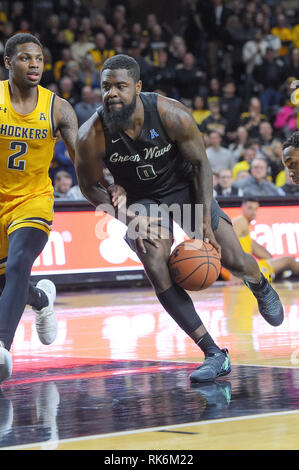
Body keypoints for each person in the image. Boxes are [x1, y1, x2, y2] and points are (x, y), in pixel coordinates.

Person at [75, 55, 284, 384]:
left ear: (138, 87)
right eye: (105, 87)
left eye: (120, 86)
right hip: (142, 201)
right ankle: (213, 351)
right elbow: (89, 186)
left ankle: (259, 284)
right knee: (156, 264)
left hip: (184, 189)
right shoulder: (91, 134)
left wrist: (202, 217)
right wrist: (125, 215)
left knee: (232, 257)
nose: (111, 93)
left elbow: (202, 164)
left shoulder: (170, 114)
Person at [0, 33, 78, 384]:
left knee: (19, 263)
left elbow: (82, 163)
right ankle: (42, 298)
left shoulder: (58, 108)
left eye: (38, 59)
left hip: (34, 199)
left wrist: (112, 195)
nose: (33, 65)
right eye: (25, 58)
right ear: (8, 63)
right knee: (8, 283)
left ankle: (2, 347)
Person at [233, 199, 299, 282]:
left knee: (284, 262)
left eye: (255, 209)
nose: (253, 212)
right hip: (243, 272)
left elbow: (267, 256)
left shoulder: (245, 229)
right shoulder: (241, 221)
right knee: (288, 260)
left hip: (246, 270)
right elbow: (228, 244)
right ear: (242, 207)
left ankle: (282, 273)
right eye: (250, 208)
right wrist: (235, 273)